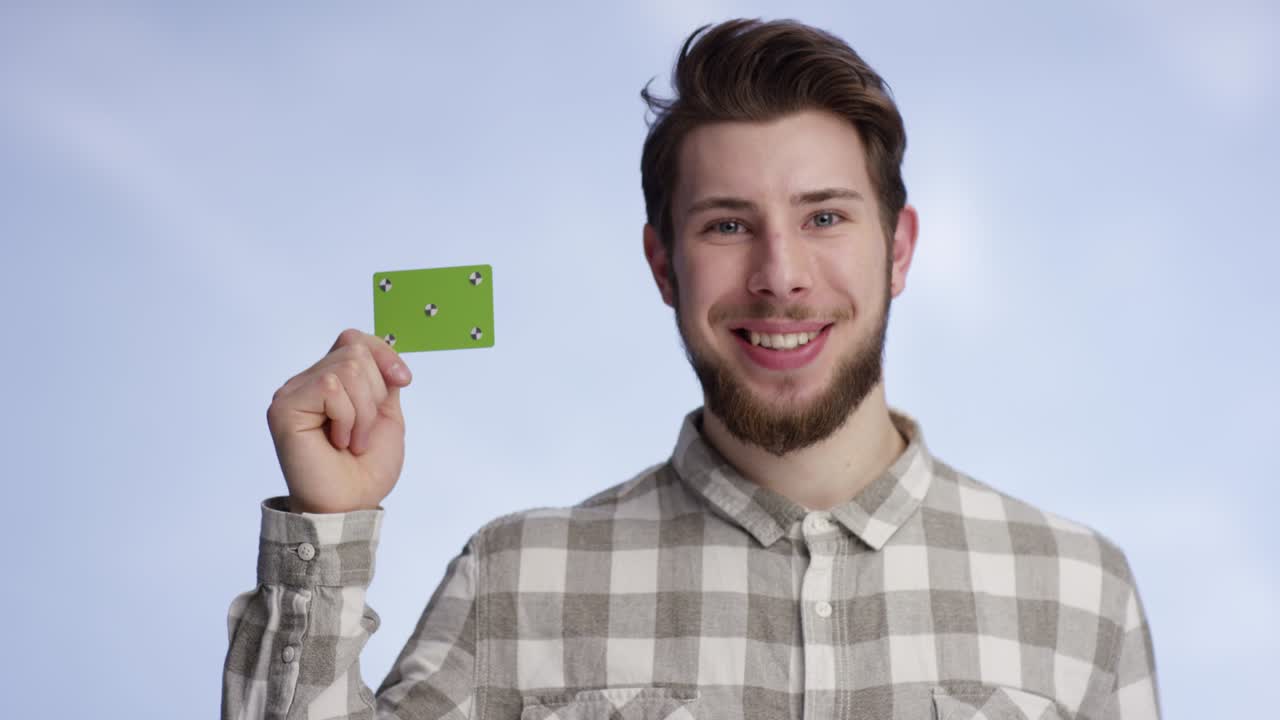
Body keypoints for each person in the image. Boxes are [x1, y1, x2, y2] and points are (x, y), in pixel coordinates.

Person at [223, 18, 1160, 720]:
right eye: (726, 224)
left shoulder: (1080, 589)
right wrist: (327, 533)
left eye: (825, 216)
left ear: (900, 249)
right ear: (663, 263)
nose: (781, 275)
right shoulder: (516, 580)